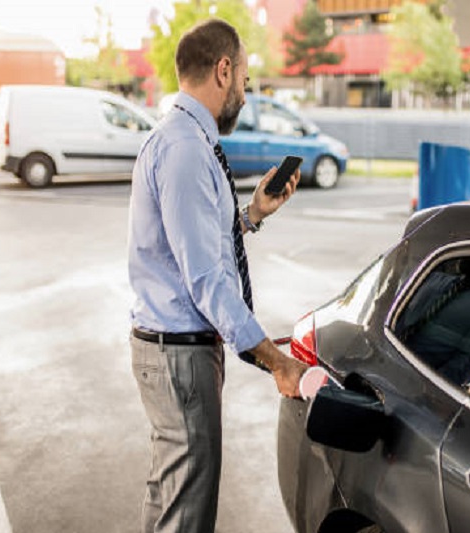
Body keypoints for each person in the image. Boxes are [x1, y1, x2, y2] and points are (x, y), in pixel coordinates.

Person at [127, 19, 307, 533]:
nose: (246, 96)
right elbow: (205, 279)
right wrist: (275, 361)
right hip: (179, 357)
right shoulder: (185, 150)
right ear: (223, 70)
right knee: (186, 513)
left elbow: (190, 247)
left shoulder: (180, 139)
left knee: (168, 497)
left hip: (168, 350)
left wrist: (251, 215)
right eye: (246, 81)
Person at [399, 255, 470, 386]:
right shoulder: (431, 278)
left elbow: (465, 366)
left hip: (411, 383)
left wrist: (416, 386)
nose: (467, 256)